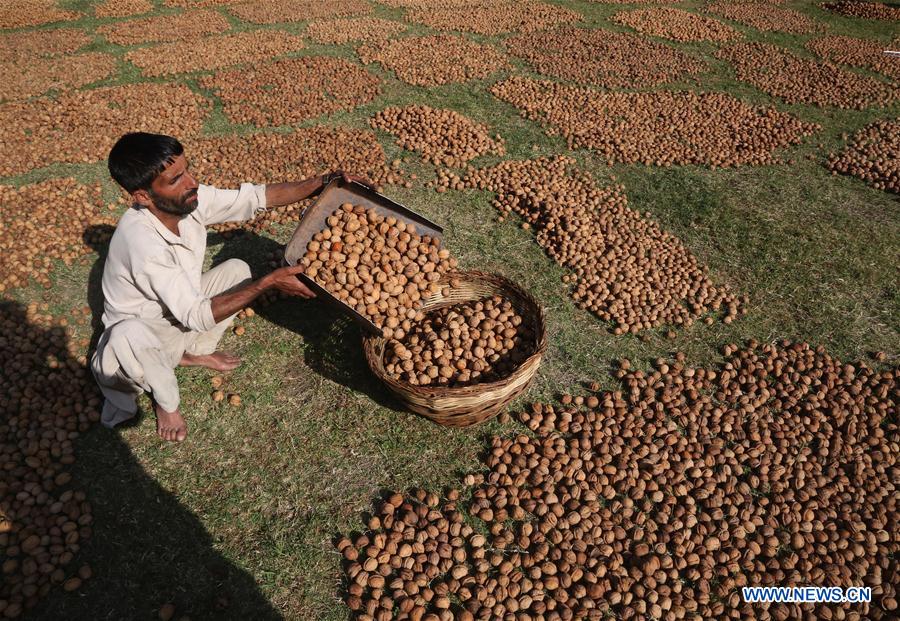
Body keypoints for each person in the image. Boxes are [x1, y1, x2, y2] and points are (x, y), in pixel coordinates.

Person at [91, 132, 369, 442]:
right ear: (142, 196)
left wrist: (322, 183)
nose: (192, 182)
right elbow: (196, 315)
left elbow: (254, 198)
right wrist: (268, 283)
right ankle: (166, 402)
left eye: (188, 170)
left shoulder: (187, 201)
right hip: (137, 347)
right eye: (176, 179)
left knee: (237, 270)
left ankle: (190, 354)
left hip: (176, 315)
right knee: (129, 333)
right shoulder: (142, 245)